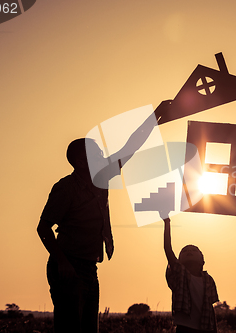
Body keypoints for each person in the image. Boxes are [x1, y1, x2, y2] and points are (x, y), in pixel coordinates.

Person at [37, 110, 163, 332]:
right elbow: (43, 228)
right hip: (69, 266)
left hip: (89, 266)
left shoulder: (102, 178)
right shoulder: (65, 189)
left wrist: (157, 116)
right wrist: (62, 262)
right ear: (81, 162)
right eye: (96, 154)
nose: (103, 157)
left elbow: (129, 147)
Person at [162, 213, 219, 333]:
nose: (189, 251)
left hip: (205, 328)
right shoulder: (180, 274)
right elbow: (168, 249)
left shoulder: (208, 279)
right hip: (184, 328)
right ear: (179, 260)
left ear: (202, 261)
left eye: (194, 250)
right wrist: (167, 223)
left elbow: (210, 307)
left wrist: (215, 329)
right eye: (185, 251)